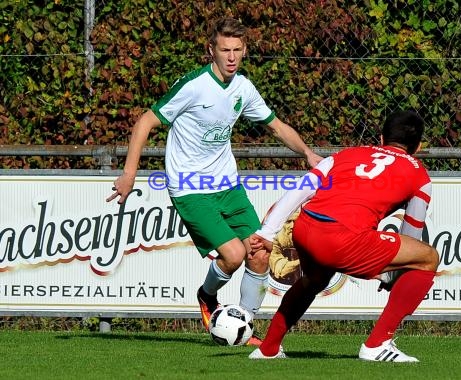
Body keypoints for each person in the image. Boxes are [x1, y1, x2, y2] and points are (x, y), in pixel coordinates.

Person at [106, 17, 322, 346]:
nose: (231, 56)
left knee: (260, 252)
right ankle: (207, 297)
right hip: (190, 187)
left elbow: (276, 126)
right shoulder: (194, 85)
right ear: (212, 51)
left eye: (237, 50)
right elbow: (145, 122)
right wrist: (129, 174)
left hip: (228, 186)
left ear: (244, 50)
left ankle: (244, 325)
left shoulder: (244, 88)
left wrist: (307, 152)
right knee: (234, 255)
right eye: (225, 50)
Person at [248, 110, 439, 361]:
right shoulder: (419, 175)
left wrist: (267, 231)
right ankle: (377, 344)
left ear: (381, 138)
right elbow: (411, 236)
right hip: (344, 238)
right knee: (428, 257)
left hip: (305, 228)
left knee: (314, 280)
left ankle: (267, 349)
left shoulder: (347, 154)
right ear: (419, 147)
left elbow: (302, 188)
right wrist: (394, 275)